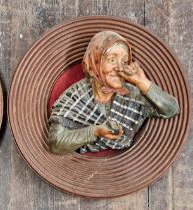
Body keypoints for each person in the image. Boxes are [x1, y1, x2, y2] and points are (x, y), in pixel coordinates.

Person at [48, 31, 179, 155]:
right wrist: (95, 131)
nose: (119, 68)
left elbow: (172, 110)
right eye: (112, 60)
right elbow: (56, 143)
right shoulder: (75, 97)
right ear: (92, 65)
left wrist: (142, 82)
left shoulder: (133, 94)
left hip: (128, 166)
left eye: (124, 62)